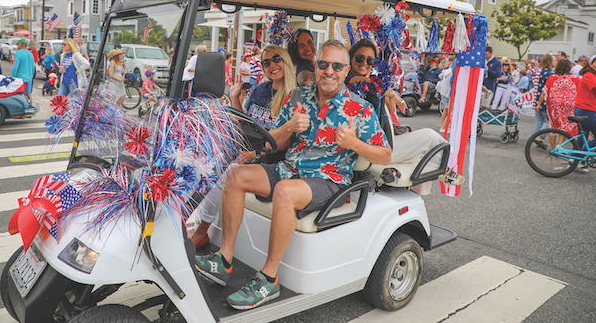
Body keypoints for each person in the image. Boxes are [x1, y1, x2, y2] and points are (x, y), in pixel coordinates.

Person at [194, 39, 391, 310]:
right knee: (235, 176)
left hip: (328, 179)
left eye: (336, 66)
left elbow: (385, 154)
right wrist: (288, 126)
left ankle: (268, 279)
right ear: (316, 66)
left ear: (346, 71)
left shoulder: (360, 109)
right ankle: (224, 260)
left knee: (285, 191)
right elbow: (273, 143)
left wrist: (355, 144)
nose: (329, 72)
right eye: (323, 65)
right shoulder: (298, 96)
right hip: (290, 167)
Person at [191, 45, 297, 247]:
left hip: (273, 156)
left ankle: (202, 231)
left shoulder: (294, 96)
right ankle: (188, 220)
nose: (271, 65)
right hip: (251, 150)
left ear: (286, 61)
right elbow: (247, 123)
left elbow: (287, 141)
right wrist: (235, 98)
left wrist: (255, 152)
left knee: (227, 172)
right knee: (205, 162)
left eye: (276, 59)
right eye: (266, 62)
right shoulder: (261, 90)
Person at [345, 40, 452, 176]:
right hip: (371, 149)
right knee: (431, 137)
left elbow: (375, 86)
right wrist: (389, 92)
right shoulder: (350, 79)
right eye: (360, 58)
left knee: (423, 152)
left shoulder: (371, 83)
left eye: (370, 60)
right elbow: (367, 83)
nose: (364, 63)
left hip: (377, 143)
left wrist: (391, 94)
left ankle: (444, 171)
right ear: (351, 58)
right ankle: (446, 172)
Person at [537, 59, 580, 145]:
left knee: (552, 126)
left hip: (554, 104)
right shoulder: (575, 79)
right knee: (565, 125)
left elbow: (544, 92)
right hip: (569, 105)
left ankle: (553, 148)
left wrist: (538, 104)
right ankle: (560, 146)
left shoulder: (552, 77)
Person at [532, 53, 554, 149]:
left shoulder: (541, 72)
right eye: (554, 60)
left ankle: (536, 139)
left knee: (539, 121)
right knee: (549, 121)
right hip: (545, 99)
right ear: (550, 62)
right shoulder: (551, 74)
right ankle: (539, 138)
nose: (556, 62)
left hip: (538, 98)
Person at [575, 55, 596, 151]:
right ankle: (580, 155)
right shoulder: (589, 75)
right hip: (586, 110)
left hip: (584, 109)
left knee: (582, 137)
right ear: (590, 64)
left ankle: (573, 161)